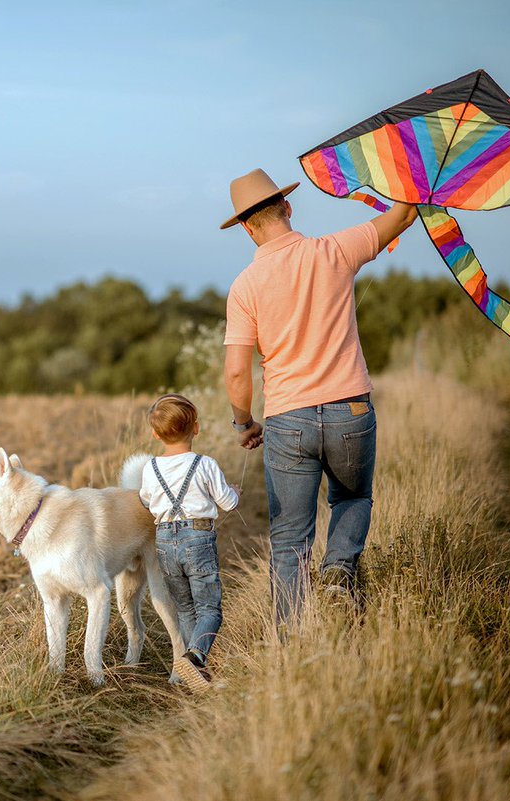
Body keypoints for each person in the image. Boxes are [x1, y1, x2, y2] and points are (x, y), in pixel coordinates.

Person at [219, 168, 418, 627]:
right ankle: (339, 573)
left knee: (289, 537)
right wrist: (414, 170)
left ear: (247, 228)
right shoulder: (335, 250)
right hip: (351, 409)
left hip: (288, 421)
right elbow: (404, 216)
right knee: (351, 499)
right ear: (288, 208)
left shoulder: (244, 287)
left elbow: (236, 371)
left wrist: (243, 423)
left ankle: (291, 643)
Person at [139, 393, 239, 690]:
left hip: (164, 540)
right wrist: (235, 492)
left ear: (155, 434)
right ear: (196, 428)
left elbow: (146, 500)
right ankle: (194, 658)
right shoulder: (205, 464)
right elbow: (228, 503)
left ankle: (196, 670)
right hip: (198, 539)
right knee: (210, 609)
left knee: (184, 608)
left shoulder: (150, 468)